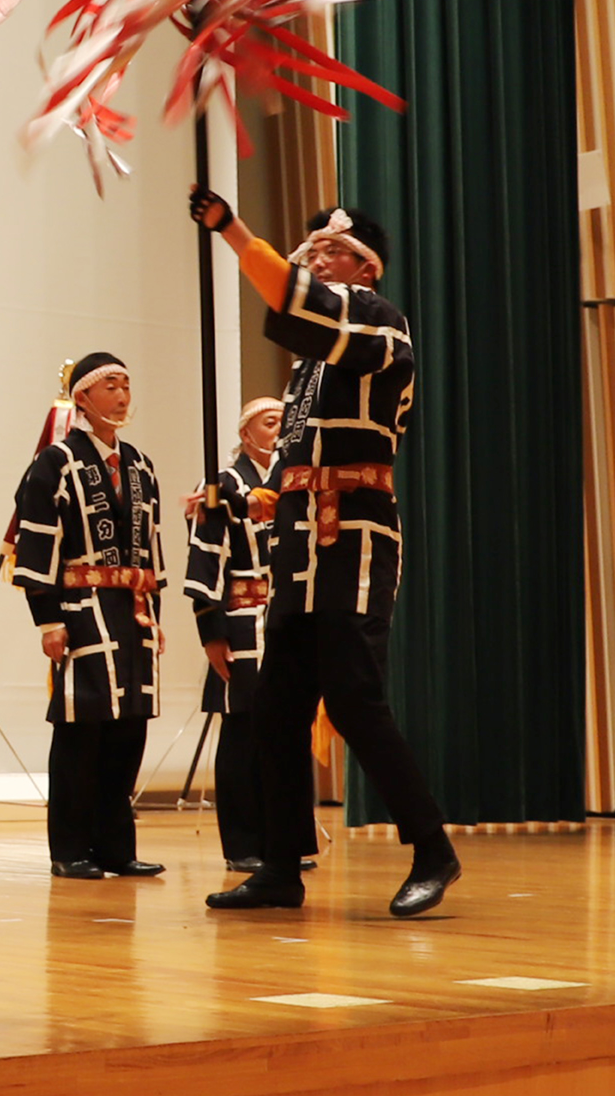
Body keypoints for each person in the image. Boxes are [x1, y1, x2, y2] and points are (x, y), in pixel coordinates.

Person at [193, 194, 459, 918]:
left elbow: (293, 299)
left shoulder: (379, 321)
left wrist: (232, 230)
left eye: (324, 251)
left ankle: (431, 845)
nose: (311, 259)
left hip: (357, 537)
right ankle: (279, 864)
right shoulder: (308, 363)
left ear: (362, 266)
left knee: (351, 697)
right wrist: (259, 496)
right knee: (276, 707)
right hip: (302, 539)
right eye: (309, 250)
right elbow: (294, 450)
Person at [14, 353, 167, 880]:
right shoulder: (56, 462)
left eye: (126, 385)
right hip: (81, 611)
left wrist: (155, 610)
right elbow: (36, 545)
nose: (122, 395)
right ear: (82, 398)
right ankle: (70, 848)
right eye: (110, 386)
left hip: (133, 613)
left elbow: (152, 548)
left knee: (129, 730)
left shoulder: (142, 465)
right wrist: (47, 618)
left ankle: (116, 847)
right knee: (82, 730)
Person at [183, 396, 300, 873]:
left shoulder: (291, 483)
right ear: (246, 432)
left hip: (282, 618)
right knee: (242, 731)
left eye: (283, 423)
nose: (277, 431)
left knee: (282, 732)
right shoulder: (224, 486)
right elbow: (205, 555)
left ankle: (284, 843)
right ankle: (243, 843)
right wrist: (212, 630)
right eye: (269, 423)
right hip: (239, 617)